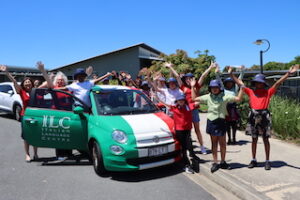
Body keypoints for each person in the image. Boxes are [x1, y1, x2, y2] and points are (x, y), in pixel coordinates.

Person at [229, 64, 299, 170]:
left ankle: (267, 160)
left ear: (263, 83)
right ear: (255, 83)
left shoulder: (268, 92)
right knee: (254, 139)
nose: (259, 84)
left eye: (260, 82)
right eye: (257, 82)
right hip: (253, 116)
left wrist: (288, 74)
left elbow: (277, 83)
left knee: (266, 139)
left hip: (264, 116)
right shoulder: (251, 91)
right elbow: (240, 84)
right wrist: (231, 74)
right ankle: (253, 159)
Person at [192, 78, 244, 173]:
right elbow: (194, 98)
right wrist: (192, 87)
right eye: (212, 87)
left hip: (221, 121)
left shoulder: (225, 96)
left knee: (223, 143)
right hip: (212, 121)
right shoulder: (208, 97)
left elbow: (238, 99)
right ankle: (215, 162)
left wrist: (242, 87)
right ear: (210, 88)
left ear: (219, 88)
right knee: (214, 143)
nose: (214, 89)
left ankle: (223, 161)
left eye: (216, 87)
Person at [166, 62, 217, 154]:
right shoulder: (183, 87)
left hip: (194, 110)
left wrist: (210, 67)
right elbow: (177, 77)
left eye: (190, 78)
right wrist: (170, 68)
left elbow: (203, 76)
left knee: (197, 129)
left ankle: (202, 146)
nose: (188, 80)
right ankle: (188, 148)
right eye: (186, 78)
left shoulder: (196, 85)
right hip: (186, 111)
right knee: (187, 131)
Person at [0, 64, 39, 162]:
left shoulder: (36, 91)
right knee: (26, 136)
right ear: (23, 84)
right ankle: (27, 154)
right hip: (25, 116)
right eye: (25, 82)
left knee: (35, 136)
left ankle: (36, 154)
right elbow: (14, 82)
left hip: (35, 116)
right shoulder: (21, 92)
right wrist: (7, 73)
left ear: (32, 83)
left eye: (29, 82)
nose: (27, 84)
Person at [160, 94, 199, 174]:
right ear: (177, 101)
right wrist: (156, 97)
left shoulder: (189, 107)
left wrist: (193, 88)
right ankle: (186, 165)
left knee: (189, 146)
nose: (181, 101)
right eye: (179, 100)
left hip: (187, 130)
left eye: (182, 100)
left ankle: (191, 160)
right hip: (179, 131)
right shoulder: (174, 108)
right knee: (183, 148)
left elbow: (197, 102)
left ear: (185, 101)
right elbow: (164, 104)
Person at [216, 65, 245, 145]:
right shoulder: (223, 89)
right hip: (226, 107)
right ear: (225, 83)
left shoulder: (235, 89)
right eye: (228, 83)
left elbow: (239, 80)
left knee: (234, 124)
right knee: (227, 125)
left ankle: (234, 138)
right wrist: (217, 72)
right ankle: (229, 139)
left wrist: (242, 71)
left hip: (233, 107)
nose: (229, 84)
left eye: (230, 82)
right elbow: (219, 80)